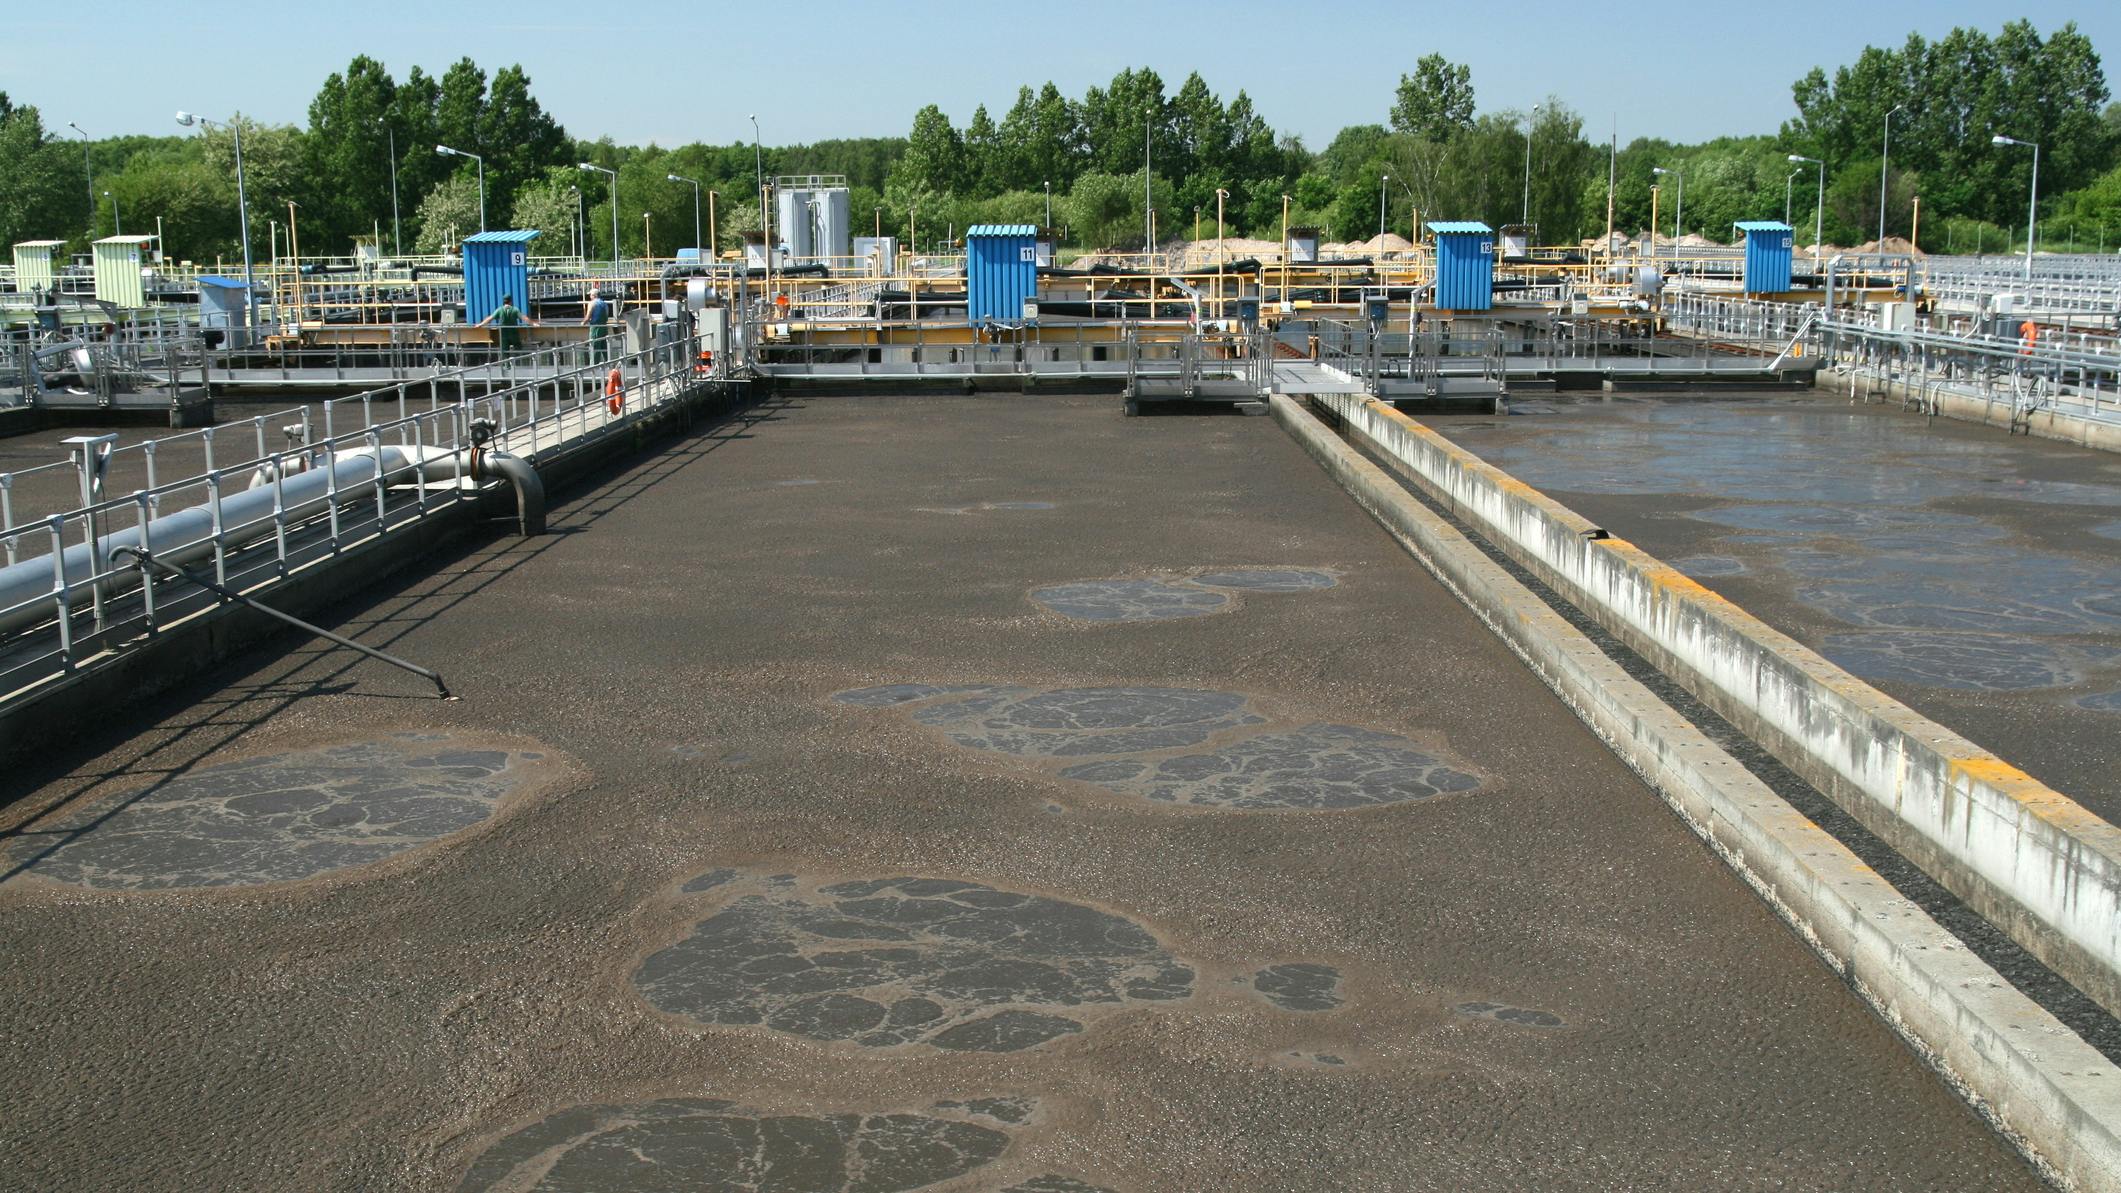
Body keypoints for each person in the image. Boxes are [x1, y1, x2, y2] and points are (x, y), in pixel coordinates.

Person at [586, 289, 611, 362]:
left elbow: (588, 317)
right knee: (605, 346)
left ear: (594, 296)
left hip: (595, 327)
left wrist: (582, 322)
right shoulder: (604, 304)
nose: (590, 297)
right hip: (604, 327)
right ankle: (610, 364)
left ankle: (594, 365)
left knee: (595, 346)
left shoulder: (592, 303)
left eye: (590, 295)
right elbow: (606, 315)